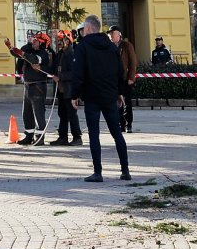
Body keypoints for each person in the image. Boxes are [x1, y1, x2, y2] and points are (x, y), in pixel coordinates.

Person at [68, 15, 132, 182]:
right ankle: (125, 171)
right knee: (117, 132)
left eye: (84, 29)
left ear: (88, 28)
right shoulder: (111, 47)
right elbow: (120, 72)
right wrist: (120, 92)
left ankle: (98, 173)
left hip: (92, 97)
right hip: (110, 96)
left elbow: (78, 73)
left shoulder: (83, 47)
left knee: (94, 134)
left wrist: (74, 95)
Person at [6, 31, 54, 145]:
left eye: (36, 40)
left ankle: (39, 137)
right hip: (28, 85)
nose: (33, 41)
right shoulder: (29, 49)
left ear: (41, 43)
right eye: (33, 39)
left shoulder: (43, 54)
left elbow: (34, 59)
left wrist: (23, 54)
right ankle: (29, 135)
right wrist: (11, 48)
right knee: (26, 113)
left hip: (38, 86)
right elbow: (18, 54)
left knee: (38, 112)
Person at [51, 31, 83, 146]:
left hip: (69, 90)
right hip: (61, 90)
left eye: (61, 41)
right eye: (58, 41)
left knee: (71, 114)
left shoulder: (72, 54)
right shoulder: (60, 54)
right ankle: (62, 137)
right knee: (62, 114)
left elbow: (74, 73)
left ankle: (77, 137)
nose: (59, 43)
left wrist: (60, 77)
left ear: (67, 41)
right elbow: (54, 68)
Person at [107, 25, 138, 132]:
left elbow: (133, 63)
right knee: (116, 102)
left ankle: (128, 123)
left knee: (126, 102)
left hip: (125, 79)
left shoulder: (126, 46)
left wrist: (131, 77)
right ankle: (121, 124)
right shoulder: (109, 46)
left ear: (119, 34)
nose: (111, 35)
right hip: (114, 80)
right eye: (110, 33)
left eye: (113, 33)